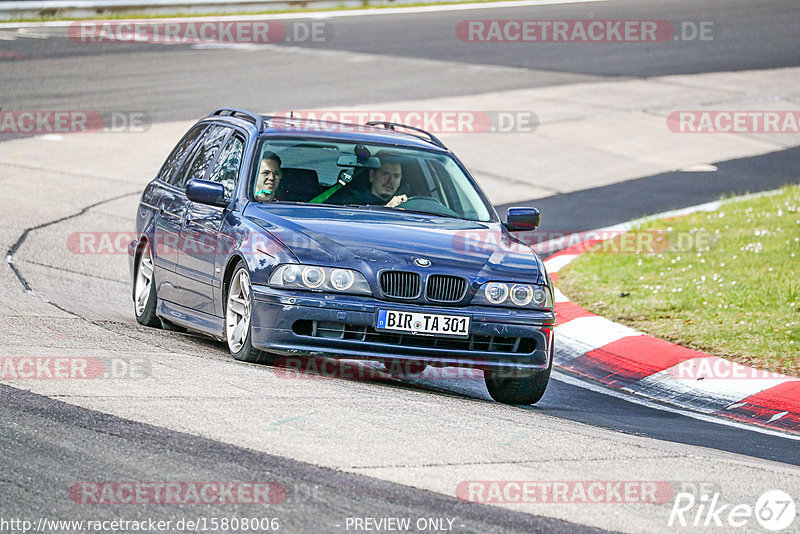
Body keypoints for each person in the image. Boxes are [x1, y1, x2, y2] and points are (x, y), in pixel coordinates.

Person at [328, 153, 408, 207]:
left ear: (401, 180)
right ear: (372, 175)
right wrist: (387, 209)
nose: (390, 180)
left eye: (396, 176)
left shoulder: (408, 206)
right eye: (385, 174)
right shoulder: (350, 203)